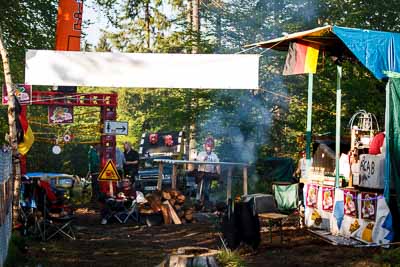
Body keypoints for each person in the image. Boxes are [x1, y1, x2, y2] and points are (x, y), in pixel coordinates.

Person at [196, 137, 220, 204]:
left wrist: (218, 173)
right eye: (208, 145)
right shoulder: (201, 153)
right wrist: (204, 158)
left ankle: (206, 201)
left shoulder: (214, 155)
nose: (209, 146)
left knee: (206, 188)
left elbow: (217, 165)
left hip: (209, 174)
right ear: (205, 145)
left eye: (211, 145)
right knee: (199, 187)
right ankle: (198, 199)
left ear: (212, 146)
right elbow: (198, 163)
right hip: (201, 173)